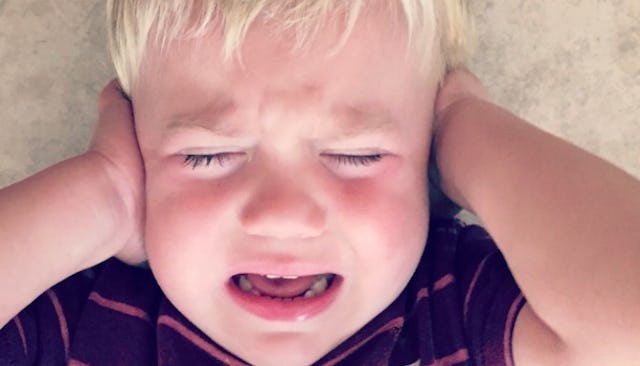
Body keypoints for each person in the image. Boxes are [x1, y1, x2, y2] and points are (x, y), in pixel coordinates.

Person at [1, 1, 639, 365]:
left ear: (430, 163)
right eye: (205, 155)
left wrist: (467, 129)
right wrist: (102, 196)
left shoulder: (451, 305)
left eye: (356, 154)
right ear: (138, 151)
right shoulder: (85, 313)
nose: (284, 214)